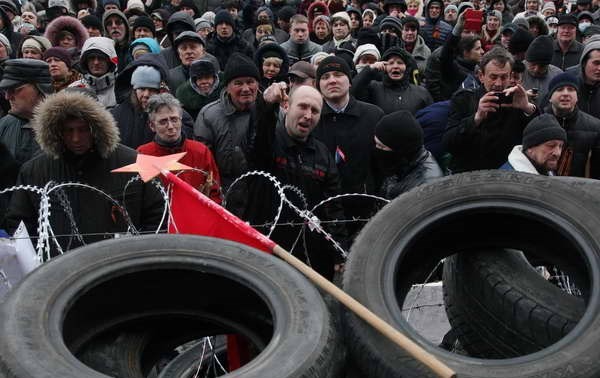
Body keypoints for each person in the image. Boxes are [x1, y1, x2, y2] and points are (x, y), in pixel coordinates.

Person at [3, 91, 164, 255]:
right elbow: (20, 223)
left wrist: (141, 254)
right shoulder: (35, 171)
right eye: (68, 131)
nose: (76, 138)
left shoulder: (133, 163)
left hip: (119, 265)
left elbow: (158, 215)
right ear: (57, 131)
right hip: (60, 268)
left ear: (97, 128)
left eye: (83, 130)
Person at [246, 83, 347, 279]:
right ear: (286, 106)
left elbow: (333, 206)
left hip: (307, 251)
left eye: (315, 111)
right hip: (267, 245)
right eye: (303, 107)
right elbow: (259, 137)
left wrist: (338, 248)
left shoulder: (322, 154)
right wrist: (267, 105)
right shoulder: (270, 141)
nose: (308, 115)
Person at [443, 47, 538, 173]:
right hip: (469, 175)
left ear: (510, 77)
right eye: (493, 77)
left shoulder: (517, 100)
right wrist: (476, 118)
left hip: (506, 176)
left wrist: (528, 108)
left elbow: (540, 136)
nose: (498, 83)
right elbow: (449, 143)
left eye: (504, 77)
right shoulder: (465, 99)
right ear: (481, 76)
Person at [313, 55, 384, 194]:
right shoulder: (311, 118)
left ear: (350, 82)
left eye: (338, 75)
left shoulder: (374, 115)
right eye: (325, 77)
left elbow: (382, 165)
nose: (332, 80)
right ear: (318, 85)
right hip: (323, 204)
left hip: (365, 202)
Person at [138, 93, 222, 203]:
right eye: (163, 122)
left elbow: (215, 193)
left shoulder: (201, 151)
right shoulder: (143, 155)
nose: (171, 127)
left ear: (181, 120)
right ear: (152, 126)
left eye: (174, 119)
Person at [194, 53, 261, 188]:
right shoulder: (209, 115)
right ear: (228, 87)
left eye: (250, 82)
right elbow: (202, 161)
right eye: (238, 83)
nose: (246, 89)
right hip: (224, 190)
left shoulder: (271, 111)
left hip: (261, 188)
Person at [373, 110, 443, 199]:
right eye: (376, 143)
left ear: (401, 149)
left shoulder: (425, 186)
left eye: (381, 146)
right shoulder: (400, 163)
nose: (377, 148)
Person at [543, 72, 600, 177]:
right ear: (550, 97)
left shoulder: (595, 127)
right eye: (559, 89)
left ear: (577, 97)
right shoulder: (538, 121)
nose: (565, 93)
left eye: (571, 89)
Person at [0, 59, 52, 166]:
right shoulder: (3, 125)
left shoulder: (66, 126)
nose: (7, 97)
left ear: (41, 87)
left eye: (15, 89)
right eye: (6, 90)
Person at [352, 47, 433, 115]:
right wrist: (369, 69)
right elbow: (353, 92)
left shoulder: (421, 93)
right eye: (390, 63)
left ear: (407, 68)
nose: (395, 66)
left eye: (400, 63)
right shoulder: (373, 88)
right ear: (384, 67)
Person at [500, 114, 566, 175]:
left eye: (560, 146)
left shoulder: (545, 170)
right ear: (530, 148)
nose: (558, 153)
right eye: (551, 145)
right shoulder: (506, 180)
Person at [69, 37, 118, 108]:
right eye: (91, 58)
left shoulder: (121, 89)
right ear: (85, 62)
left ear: (110, 62)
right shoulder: (73, 89)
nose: (96, 62)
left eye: (101, 58)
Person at [522, 35, 563, 105]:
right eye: (533, 65)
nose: (536, 69)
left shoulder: (558, 76)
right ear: (527, 61)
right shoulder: (516, 71)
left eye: (542, 66)